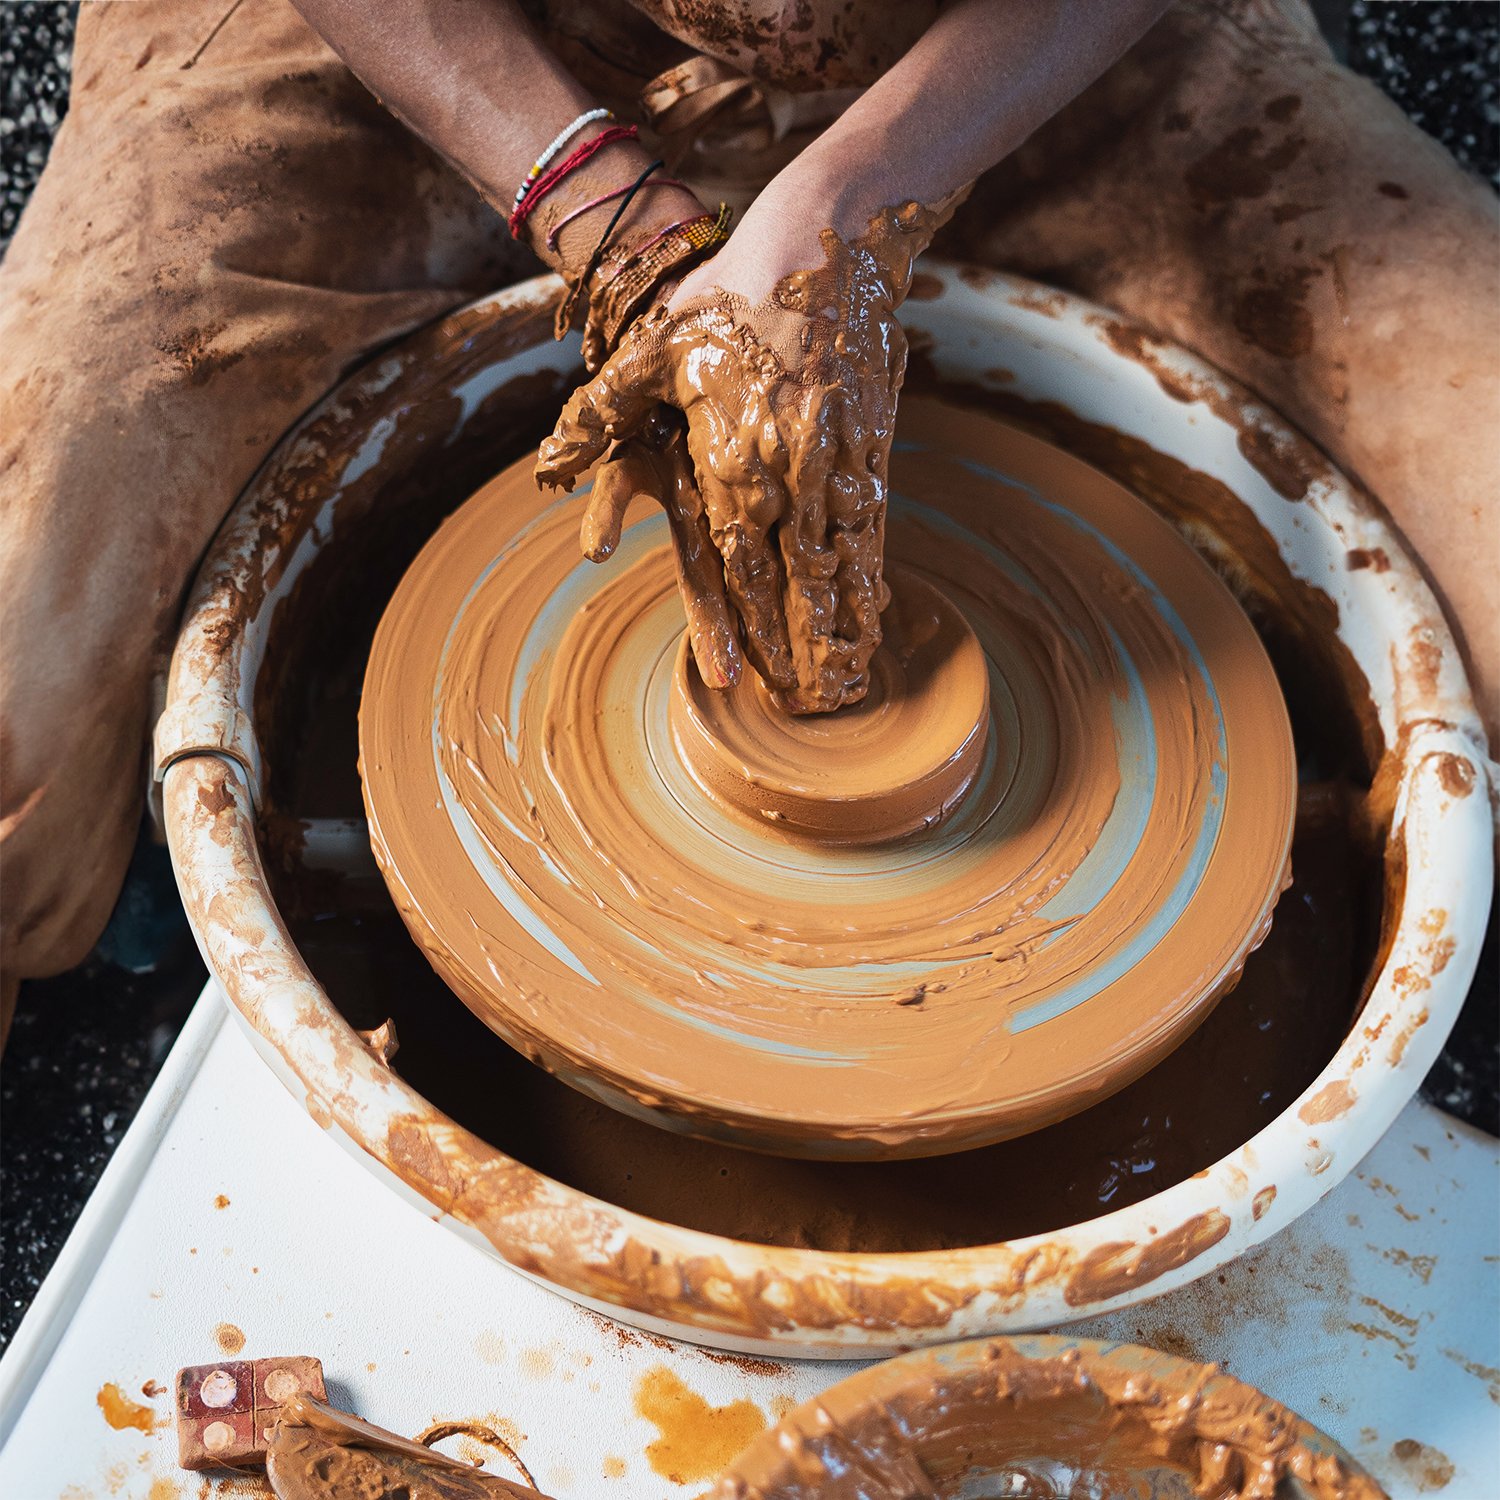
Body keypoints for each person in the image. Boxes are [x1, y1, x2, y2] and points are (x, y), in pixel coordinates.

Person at [1, 0, 1494, 1038]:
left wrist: (860, 197)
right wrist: (611, 219)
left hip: (1024, 61)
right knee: (12, 717)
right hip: (424, 49)